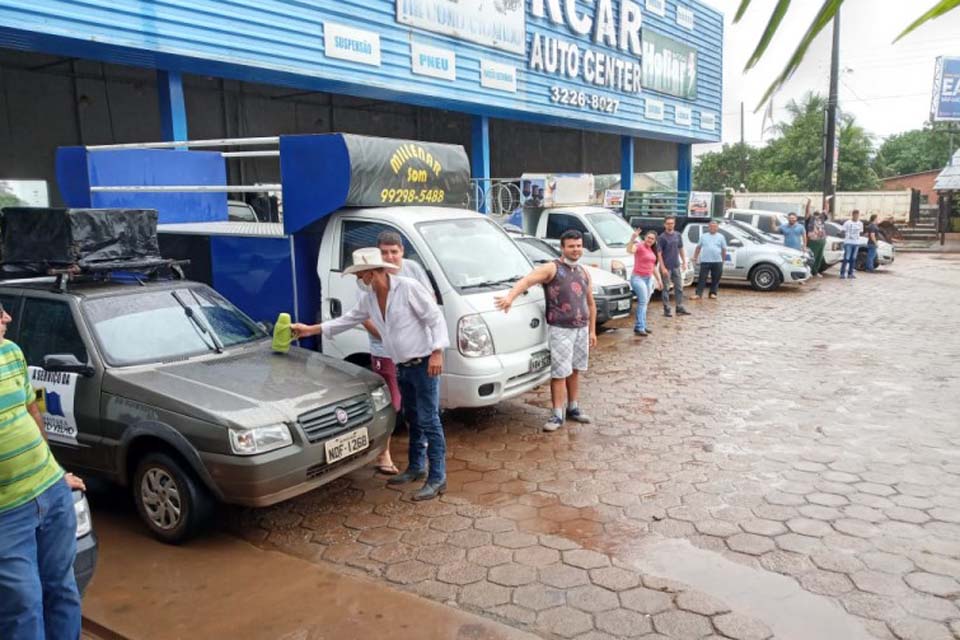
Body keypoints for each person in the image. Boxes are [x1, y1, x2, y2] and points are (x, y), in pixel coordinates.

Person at [291, 248, 449, 501]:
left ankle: (438, 477)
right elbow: (347, 320)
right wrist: (310, 330)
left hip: (424, 364)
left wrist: (437, 351)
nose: (359, 280)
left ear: (373, 273)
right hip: (402, 366)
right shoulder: (370, 299)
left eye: (360, 274)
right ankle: (416, 467)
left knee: (429, 420)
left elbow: (435, 318)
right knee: (412, 417)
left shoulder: (408, 288)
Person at [0, 302, 86, 640]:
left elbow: (31, 411)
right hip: (7, 513)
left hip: (51, 491)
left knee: (62, 588)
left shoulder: (10, 352)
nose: (7, 317)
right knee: (23, 605)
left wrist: (56, 470)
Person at [495, 230, 597, 432]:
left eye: (578, 246)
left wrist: (592, 331)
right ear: (562, 247)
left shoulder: (584, 272)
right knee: (560, 372)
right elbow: (527, 281)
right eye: (571, 246)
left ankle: (573, 407)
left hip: (581, 328)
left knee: (575, 369)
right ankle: (557, 414)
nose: (576, 249)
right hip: (560, 329)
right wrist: (510, 298)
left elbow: (591, 303)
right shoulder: (552, 268)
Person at [366, 231, 433, 476]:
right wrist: (389, 337)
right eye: (384, 252)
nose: (389, 257)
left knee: (419, 408)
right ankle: (383, 454)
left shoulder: (412, 270)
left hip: (415, 351)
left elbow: (430, 304)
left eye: (394, 251)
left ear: (402, 251)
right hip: (385, 352)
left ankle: (422, 460)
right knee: (391, 403)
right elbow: (362, 316)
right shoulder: (369, 275)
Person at [626, 229, 663, 337]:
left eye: (652, 239)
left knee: (645, 303)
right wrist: (632, 238)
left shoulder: (652, 250)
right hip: (638, 278)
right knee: (642, 302)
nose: (650, 240)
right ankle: (640, 327)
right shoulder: (639, 246)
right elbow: (629, 250)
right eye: (648, 237)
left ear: (655, 241)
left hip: (648, 279)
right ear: (645, 237)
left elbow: (653, 267)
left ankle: (641, 324)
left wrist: (659, 280)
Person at [656, 216, 691, 317]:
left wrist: (684, 262)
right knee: (666, 288)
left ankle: (679, 307)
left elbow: (680, 248)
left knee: (679, 287)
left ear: (674, 224)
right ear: (665, 224)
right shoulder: (662, 237)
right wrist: (662, 267)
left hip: (676, 266)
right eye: (668, 223)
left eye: (672, 223)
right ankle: (666, 309)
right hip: (666, 267)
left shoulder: (678, 235)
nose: (670, 225)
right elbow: (659, 254)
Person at [692, 219, 727, 300]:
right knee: (702, 278)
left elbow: (724, 249)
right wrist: (695, 257)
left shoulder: (721, 237)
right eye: (711, 226)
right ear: (708, 227)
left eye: (714, 226)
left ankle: (713, 293)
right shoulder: (703, 236)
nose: (712, 228)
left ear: (717, 228)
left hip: (717, 261)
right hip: (705, 261)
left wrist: (723, 260)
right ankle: (698, 294)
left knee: (716, 278)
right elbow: (698, 247)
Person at [840, 209, 864, 280]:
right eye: (855, 215)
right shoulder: (847, 223)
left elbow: (861, 232)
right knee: (846, 258)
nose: (856, 217)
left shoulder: (860, 223)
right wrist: (845, 236)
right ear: (853, 215)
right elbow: (843, 231)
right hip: (848, 242)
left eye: (857, 215)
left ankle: (850, 273)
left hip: (856, 243)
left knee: (853, 259)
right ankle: (842, 273)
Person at [806, 210, 827, 278]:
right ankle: (809, 272)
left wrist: (826, 201)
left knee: (819, 257)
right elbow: (807, 212)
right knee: (812, 257)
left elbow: (826, 210)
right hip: (813, 241)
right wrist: (809, 203)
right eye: (816, 215)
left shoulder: (821, 220)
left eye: (818, 215)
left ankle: (815, 272)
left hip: (821, 240)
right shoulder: (810, 219)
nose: (817, 216)